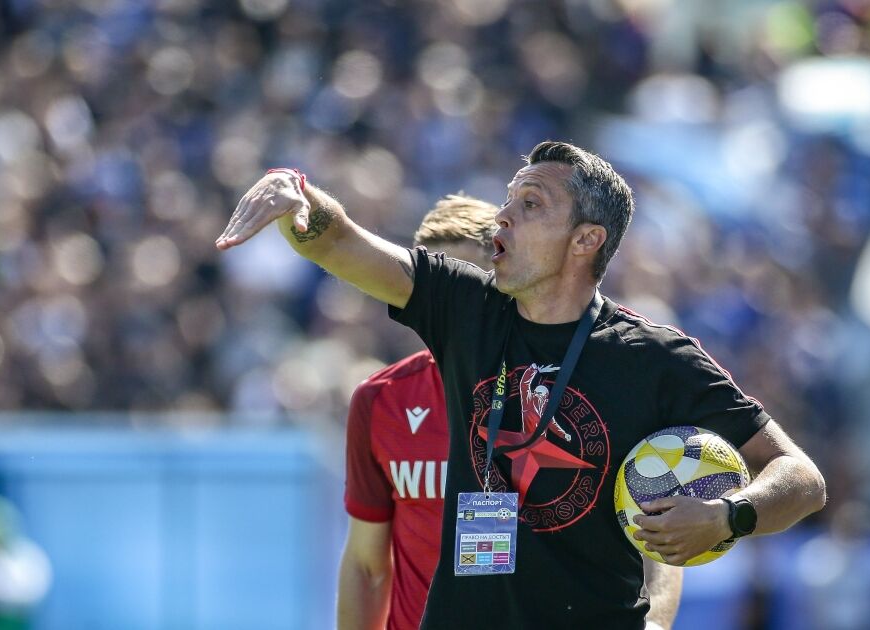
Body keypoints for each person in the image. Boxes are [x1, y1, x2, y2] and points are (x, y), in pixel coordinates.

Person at [217, 142, 827, 629]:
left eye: (531, 204)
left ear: (585, 240)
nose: (502, 216)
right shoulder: (466, 308)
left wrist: (728, 517)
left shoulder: (655, 358)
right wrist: (295, 193)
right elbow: (339, 242)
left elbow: (802, 478)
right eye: (508, 199)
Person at [336, 195, 684, 630]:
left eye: (470, 287)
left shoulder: (581, 394)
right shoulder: (380, 400)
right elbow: (366, 565)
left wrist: (656, 623)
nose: (453, 303)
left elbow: (651, 530)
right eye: (437, 287)